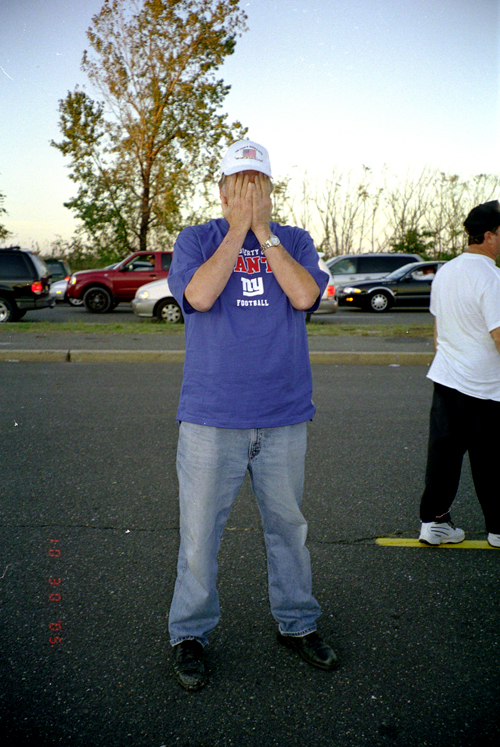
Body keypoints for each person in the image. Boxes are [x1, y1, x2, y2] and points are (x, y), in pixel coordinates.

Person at [166, 139, 338, 691]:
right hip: (211, 417)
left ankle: (297, 623)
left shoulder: (296, 240)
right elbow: (200, 295)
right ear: (221, 191)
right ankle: (189, 633)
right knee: (199, 535)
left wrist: (263, 234)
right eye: (237, 184)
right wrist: (238, 230)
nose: (246, 193)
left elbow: (305, 297)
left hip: (283, 413)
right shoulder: (197, 239)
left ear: (270, 190)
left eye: (256, 184)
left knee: (288, 529)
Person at [418, 200, 500, 548]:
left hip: (448, 381)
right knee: (491, 461)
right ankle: (498, 530)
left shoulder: (447, 272)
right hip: (486, 386)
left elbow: (438, 334)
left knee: (444, 456)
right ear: (490, 235)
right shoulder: (492, 277)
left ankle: (434, 524)